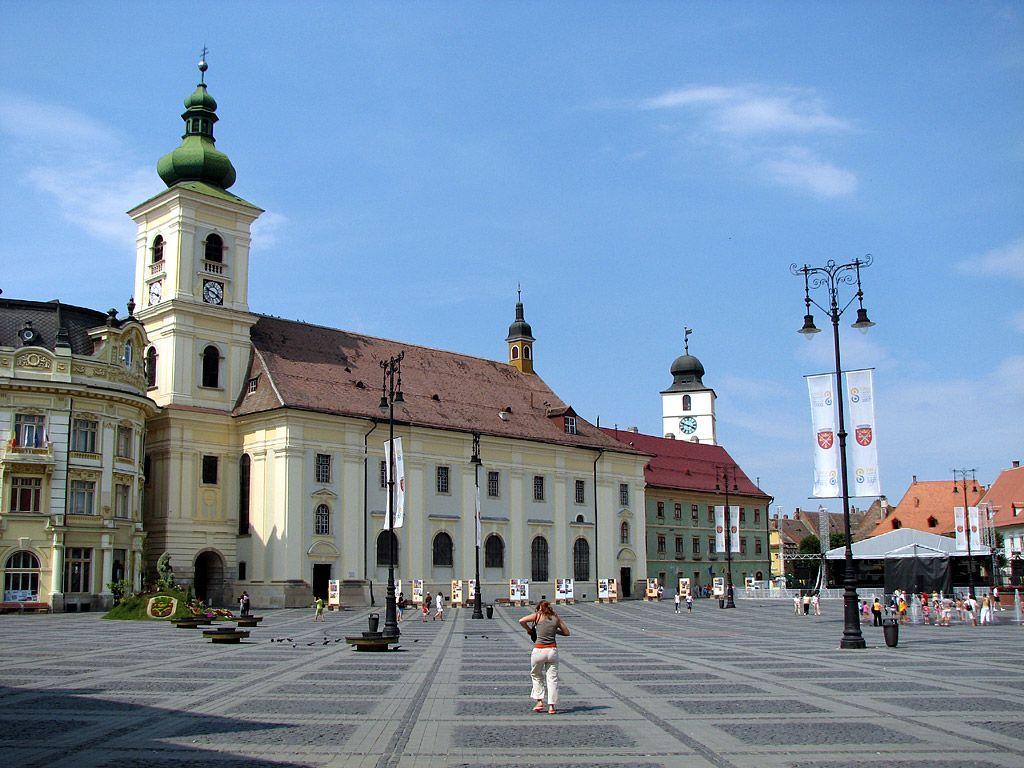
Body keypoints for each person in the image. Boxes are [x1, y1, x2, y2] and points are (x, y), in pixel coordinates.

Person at [518, 600, 570, 715]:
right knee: (552, 679)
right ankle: (551, 706)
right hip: (552, 651)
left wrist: (529, 630)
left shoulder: (537, 616)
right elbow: (567, 632)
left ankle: (539, 701)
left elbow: (521, 620)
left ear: (539, 608)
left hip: (539, 650)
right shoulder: (556, 618)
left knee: (536, 675)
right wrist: (555, 631)